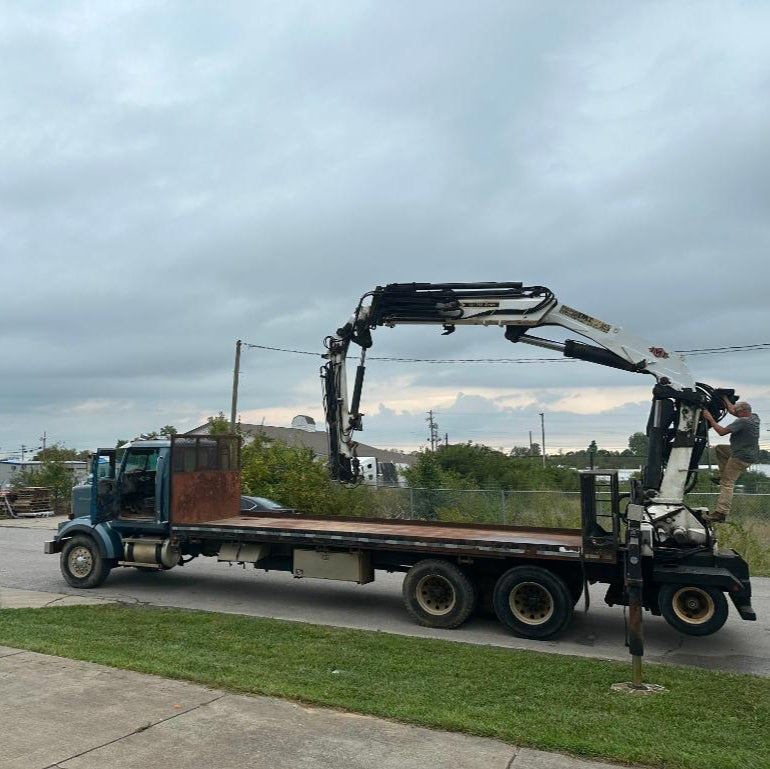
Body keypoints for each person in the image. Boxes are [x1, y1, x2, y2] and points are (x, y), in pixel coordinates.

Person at [702, 398, 760, 523]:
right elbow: (733, 410)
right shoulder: (754, 417)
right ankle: (722, 475)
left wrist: (709, 418)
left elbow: (721, 432)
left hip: (740, 457)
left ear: (743, 412)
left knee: (727, 484)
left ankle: (721, 513)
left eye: (738, 413)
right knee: (720, 449)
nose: (736, 414)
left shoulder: (742, 422)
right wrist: (724, 398)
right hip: (748, 454)